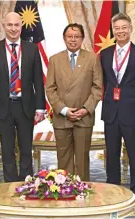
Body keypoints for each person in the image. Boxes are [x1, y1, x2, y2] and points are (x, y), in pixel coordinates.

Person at [100, 12, 135, 209]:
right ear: (113, 31)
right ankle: (113, 190)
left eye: (124, 27)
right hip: (110, 113)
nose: (120, 31)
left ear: (130, 29)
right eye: (117, 28)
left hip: (132, 112)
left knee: (134, 154)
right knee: (112, 154)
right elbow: (104, 82)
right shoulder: (105, 54)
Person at [0, 12, 45, 182]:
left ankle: (26, 185)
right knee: (7, 150)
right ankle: (10, 186)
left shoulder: (32, 49)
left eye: (16, 25)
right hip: (3, 107)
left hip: (25, 106)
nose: (13, 29)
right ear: (3, 26)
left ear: (21, 26)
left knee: (26, 149)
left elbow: (38, 81)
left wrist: (40, 107)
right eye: (9, 25)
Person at [46, 23, 103, 181]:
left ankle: (82, 191)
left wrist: (85, 109)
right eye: (69, 37)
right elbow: (50, 89)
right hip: (62, 118)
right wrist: (64, 110)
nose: (73, 40)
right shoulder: (55, 60)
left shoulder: (92, 58)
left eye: (76, 36)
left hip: (83, 118)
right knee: (63, 158)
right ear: (64, 39)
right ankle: (64, 190)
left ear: (82, 38)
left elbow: (97, 88)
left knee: (82, 160)